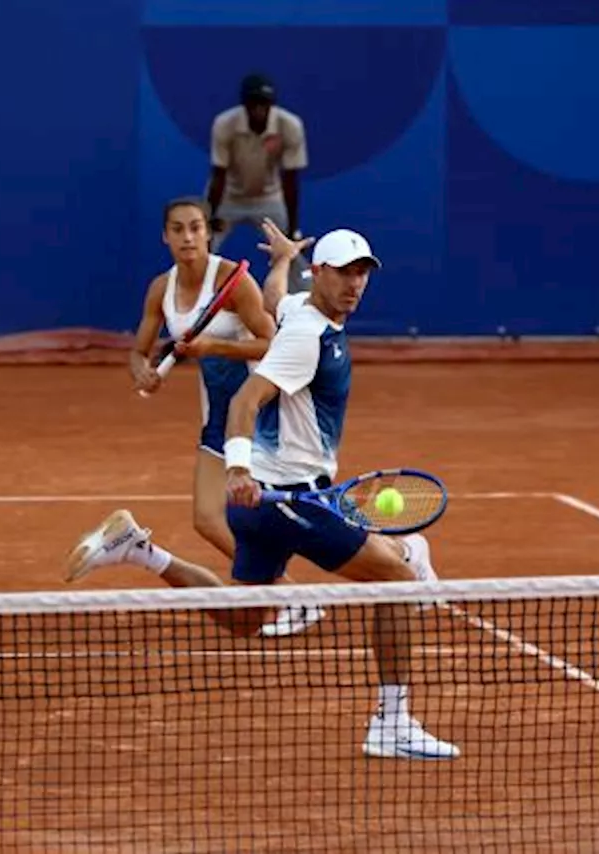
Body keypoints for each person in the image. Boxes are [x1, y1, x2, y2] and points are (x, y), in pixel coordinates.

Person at [67, 227, 460, 760]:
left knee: (244, 618)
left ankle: (140, 549)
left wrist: (281, 260)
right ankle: (392, 722)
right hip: (287, 500)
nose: (355, 283)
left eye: (363, 272)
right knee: (395, 582)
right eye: (344, 271)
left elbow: (276, 295)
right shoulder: (305, 339)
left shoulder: (299, 307)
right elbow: (245, 403)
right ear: (320, 274)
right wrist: (238, 470)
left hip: (265, 508)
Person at [121, 196, 321, 636]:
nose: (188, 237)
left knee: (291, 520)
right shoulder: (161, 289)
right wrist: (146, 372)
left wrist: (213, 347)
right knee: (208, 519)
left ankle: (307, 590)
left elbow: (272, 343)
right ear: (165, 236)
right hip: (219, 415)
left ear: (207, 232)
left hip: (260, 413)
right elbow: (139, 351)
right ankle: (295, 594)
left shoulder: (232, 280)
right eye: (178, 229)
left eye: (195, 227)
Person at [206, 73, 311, 294]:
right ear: (244, 104)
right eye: (253, 103)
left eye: (263, 103)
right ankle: (198, 302)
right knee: (202, 245)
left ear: (272, 104)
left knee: (289, 250)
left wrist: (291, 230)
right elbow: (218, 175)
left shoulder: (289, 126)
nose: (258, 109)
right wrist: (210, 217)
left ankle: (303, 302)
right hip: (228, 195)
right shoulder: (225, 124)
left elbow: (291, 181)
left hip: (269, 197)